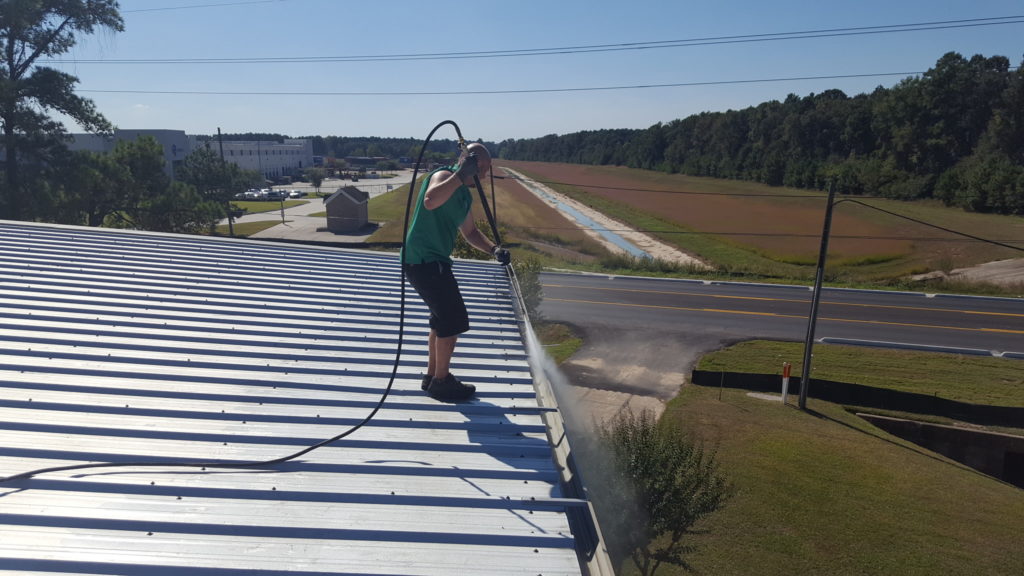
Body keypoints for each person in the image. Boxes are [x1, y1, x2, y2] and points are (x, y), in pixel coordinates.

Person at [403, 143, 511, 401]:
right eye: (481, 169)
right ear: (468, 163)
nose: (483, 176)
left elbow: (471, 233)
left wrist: (494, 249)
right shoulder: (443, 177)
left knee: (441, 320)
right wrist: (460, 175)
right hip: (423, 260)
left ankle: (432, 376)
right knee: (452, 320)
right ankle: (442, 381)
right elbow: (430, 201)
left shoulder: (463, 195)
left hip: (433, 262)